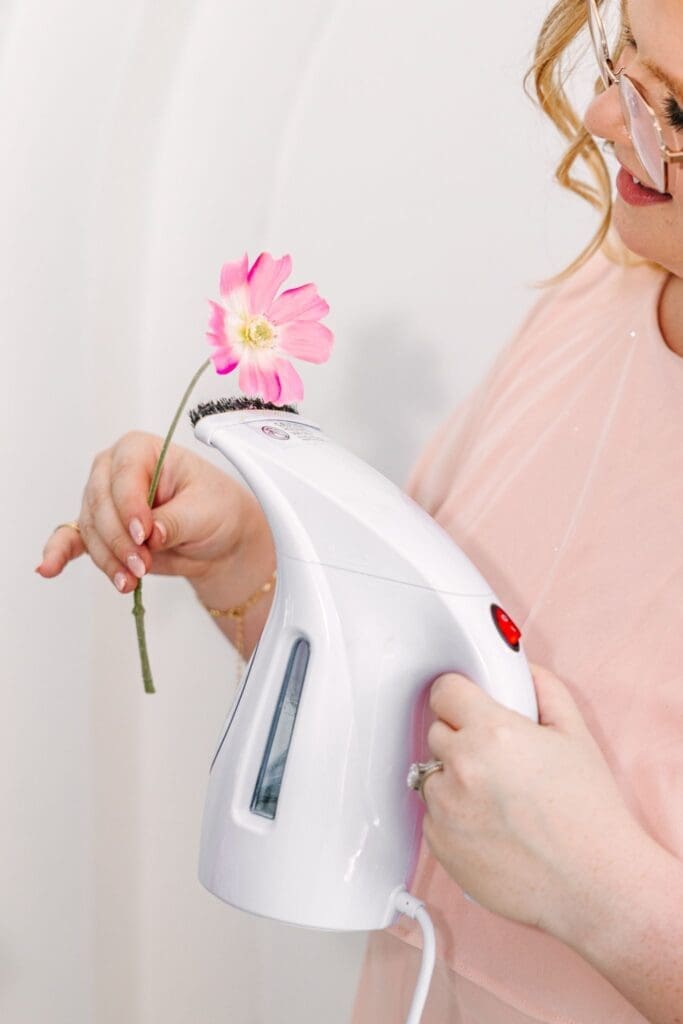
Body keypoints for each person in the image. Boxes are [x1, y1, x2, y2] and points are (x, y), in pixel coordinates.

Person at [36, 0, 683, 1020]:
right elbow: (408, 705)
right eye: (623, 65)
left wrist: (608, 898)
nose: (606, 118)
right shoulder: (592, 312)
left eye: (672, 110)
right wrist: (250, 555)